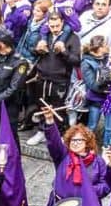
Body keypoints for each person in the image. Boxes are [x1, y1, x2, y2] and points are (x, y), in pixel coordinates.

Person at [24, 9, 81, 146]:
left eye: (57, 25)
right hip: (42, 77)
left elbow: (77, 61)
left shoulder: (72, 38)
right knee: (42, 106)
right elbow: (31, 50)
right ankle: (42, 132)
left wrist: (64, 52)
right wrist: (37, 49)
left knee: (58, 108)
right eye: (52, 25)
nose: (54, 29)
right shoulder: (45, 35)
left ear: (62, 23)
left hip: (60, 79)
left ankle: (60, 134)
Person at [82, 37, 111, 147]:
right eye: (105, 44)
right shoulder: (87, 62)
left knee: (110, 127)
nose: (108, 46)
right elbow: (92, 85)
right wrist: (108, 82)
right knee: (92, 125)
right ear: (100, 48)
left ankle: (107, 149)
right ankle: (85, 147)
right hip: (96, 98)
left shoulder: (110, 58)